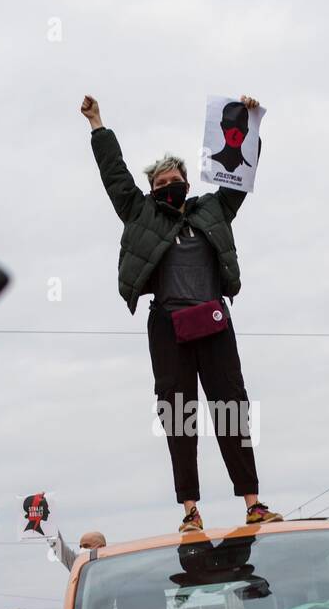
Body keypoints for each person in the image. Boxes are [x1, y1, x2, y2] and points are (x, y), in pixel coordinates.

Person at [80, 93, 282, 533]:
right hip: (167, 329)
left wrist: (247, 121)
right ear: (153, 192)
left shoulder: (213, 209)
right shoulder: (141, 214)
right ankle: (190, 511)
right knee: (178, 415)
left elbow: (239, 172)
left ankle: (253, 503)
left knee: (232, 410)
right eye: (159, 184)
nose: (167, 187)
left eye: (173, 180)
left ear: (187, 184)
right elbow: (115, 177)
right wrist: (98, 124)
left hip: (214, 323)